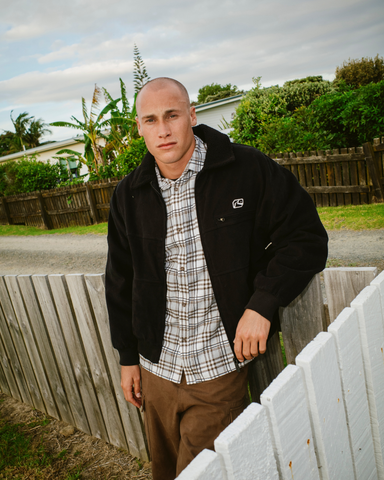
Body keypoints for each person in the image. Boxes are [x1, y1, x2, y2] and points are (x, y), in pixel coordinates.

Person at [105, 77, 328, 479]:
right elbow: (120, 280)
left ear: (191, 115)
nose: (163, 129)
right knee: (164, 471)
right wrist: (127, 358)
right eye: (151, 120)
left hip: (217, 369)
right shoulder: (129, 194)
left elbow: (305, 237)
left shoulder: (244, 168)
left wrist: (263, 302)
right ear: (139, 128)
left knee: (204, 473)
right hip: (157, 366)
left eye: (172, 115)